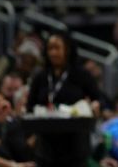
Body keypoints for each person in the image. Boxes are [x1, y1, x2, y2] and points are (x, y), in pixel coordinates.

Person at [27, 33, 101, 167]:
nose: (53, 53)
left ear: (67, 50)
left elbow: (98, 98)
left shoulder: (81, 74)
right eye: (50, 48)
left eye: (57, 48)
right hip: (47, 143)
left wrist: (96, 105)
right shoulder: (40, 76)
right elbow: (30, 105)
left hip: (75, 141)